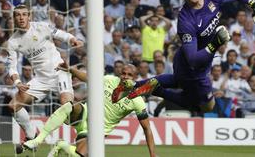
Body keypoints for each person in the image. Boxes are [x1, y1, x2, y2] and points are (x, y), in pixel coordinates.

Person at [112, 0, 255, 113]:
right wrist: (215, 43)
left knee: (177, 81)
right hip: (193, 66)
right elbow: (194, 60)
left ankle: (134, 86)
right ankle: (157, 89)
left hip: (196, 63)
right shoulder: (186, 19)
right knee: (207, 107)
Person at [22, 63, 156, 157]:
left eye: (129, 75)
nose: (125, 76)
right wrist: (71, 70)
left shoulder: (137, 101)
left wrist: (152, 154)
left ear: (135, 78)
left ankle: (62, 145)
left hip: (97, 133)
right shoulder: (110, 80)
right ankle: (38, 139)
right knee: (70, 105)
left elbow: (147, 129)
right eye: (123, 73)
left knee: (79, 155)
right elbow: (88, 79)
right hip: (84, 115)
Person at [7, 5, 83, 143]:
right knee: (13, 105)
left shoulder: (41, 27)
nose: (21, 17)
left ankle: (84, 125)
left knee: (67, 105)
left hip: (59, 71)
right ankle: (31, 135)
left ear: (29, 16)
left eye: (24, 14)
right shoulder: (13, 41)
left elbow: (59, 34)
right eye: (17, 15)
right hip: (40, 79)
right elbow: (12, 67)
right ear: (14, 18)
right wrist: (18, 83)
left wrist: (72, 39)